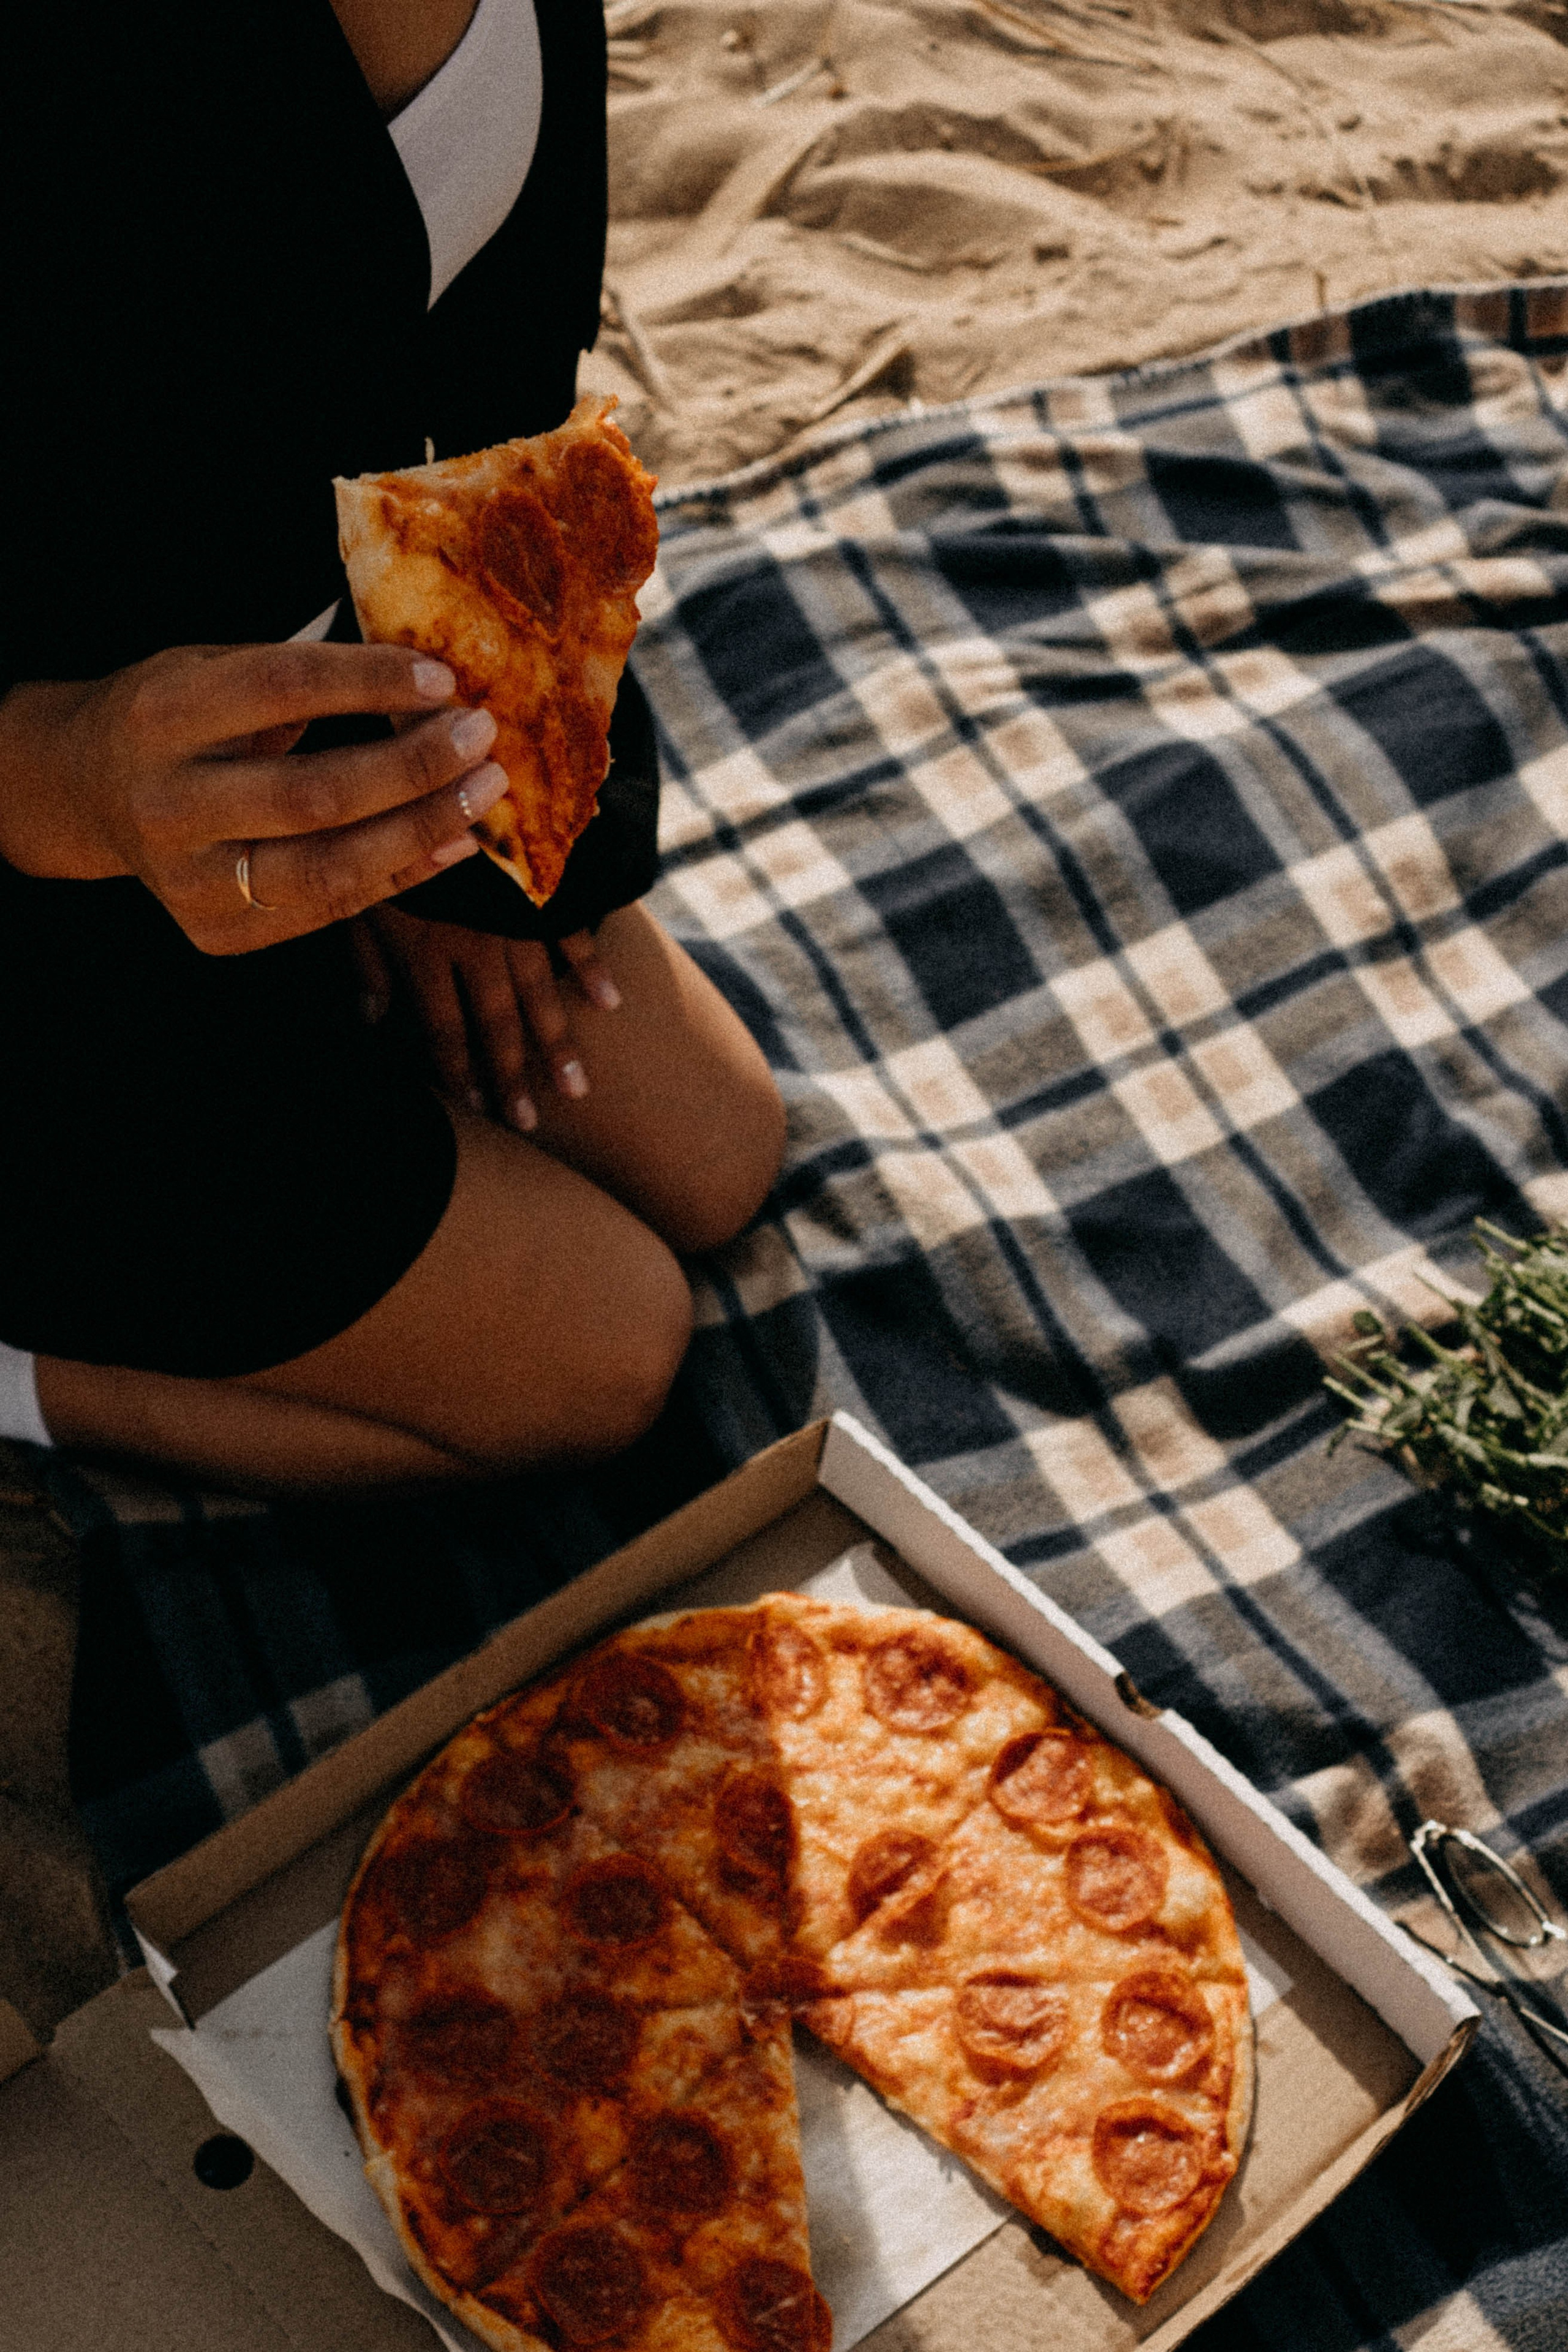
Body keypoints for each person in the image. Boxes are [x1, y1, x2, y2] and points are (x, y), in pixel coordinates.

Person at [0, 0, 785, 1494]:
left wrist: (471, 862)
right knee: (606, 1353)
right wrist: (76, 774)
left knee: (713, 1150)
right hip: (45, 882)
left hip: (319, 736)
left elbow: (500, 372)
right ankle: (23, 1375)